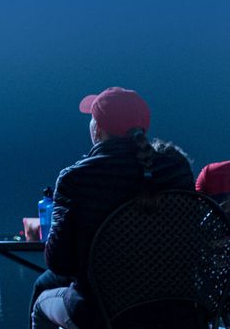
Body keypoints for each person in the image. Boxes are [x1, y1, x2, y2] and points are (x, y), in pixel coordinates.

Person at [31, 87, 195, 329]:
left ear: (97, 129)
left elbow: (60, 263)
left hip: (104, 313)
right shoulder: (176, 168)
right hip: (177, 309)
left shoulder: (76, 178)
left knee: (42, 299)